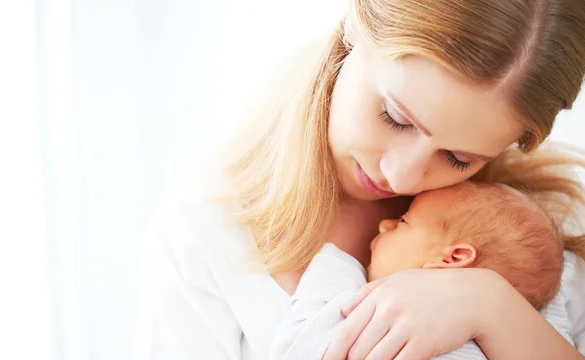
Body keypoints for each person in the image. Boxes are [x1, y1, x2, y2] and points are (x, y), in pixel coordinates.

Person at [143, 0, 585, 359]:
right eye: (395, 117)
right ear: (354, 25)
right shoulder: (203, 238)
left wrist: (490, 304)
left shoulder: (550, 229)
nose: (401, 176)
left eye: (459, 158)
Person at [270, 180, 570, 360]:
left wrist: (332, 264)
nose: (384, 224)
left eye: (404, 220)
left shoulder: (346, 285)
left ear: (453, 258)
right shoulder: (542, 330)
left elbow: (301, 349)